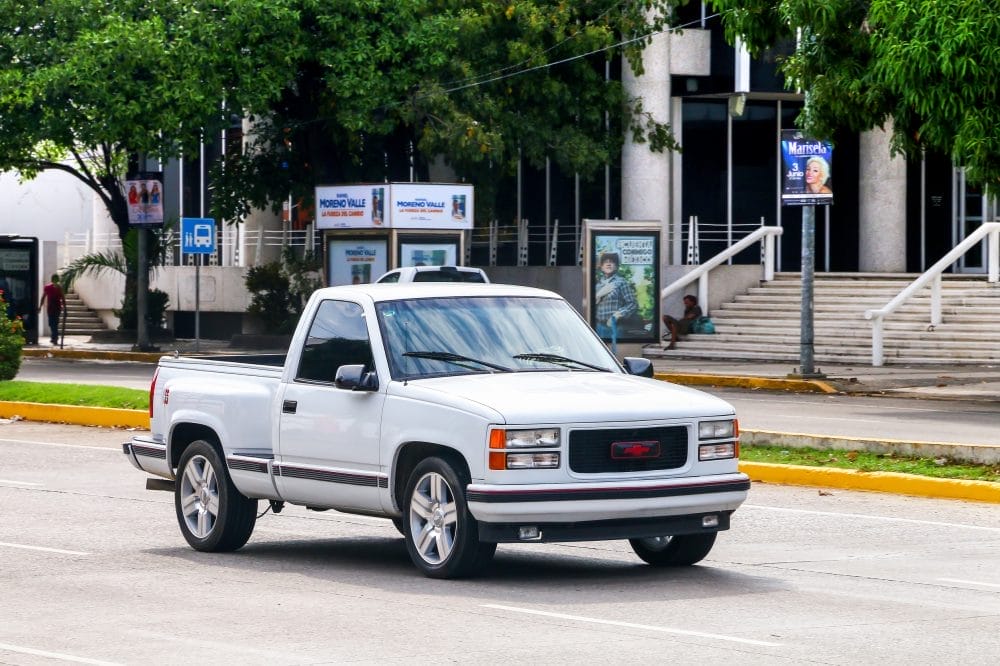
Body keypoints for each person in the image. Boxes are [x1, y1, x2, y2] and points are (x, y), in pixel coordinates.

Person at [594, 252, 638, 338]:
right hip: (598, 326)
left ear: (616, 266)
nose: (609, 264)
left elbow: (633, 304)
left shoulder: (621, 282)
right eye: (605, 262)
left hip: (615, 327)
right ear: (601, 267)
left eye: (612, 262)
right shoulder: (597, 284)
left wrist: (617, 315)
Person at [38, 273, 66, 346]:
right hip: (50, 308)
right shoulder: (47, 287)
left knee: (54, 323)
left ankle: (55, 338)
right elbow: (43, 297)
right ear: (53, 280)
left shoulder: (59, 288)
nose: (56, 281)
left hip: (56, 308)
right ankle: (54, 337)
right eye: (55, 279)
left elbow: (63, 298)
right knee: (51, 323)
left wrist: (65, 308)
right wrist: (40, 307)